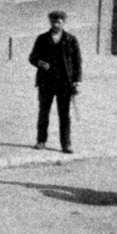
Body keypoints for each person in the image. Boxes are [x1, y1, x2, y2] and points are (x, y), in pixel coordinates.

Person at [28, 9, 83, 153]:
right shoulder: (42, 39)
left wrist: (76, 82)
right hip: (46, 82)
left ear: (64, 23)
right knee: (43, 112)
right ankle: (41, 141)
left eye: (59, 22)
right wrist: (40, 63)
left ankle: (66, 144)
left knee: (64, 115)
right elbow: (32, 57)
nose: (56, 24)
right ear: (50, 22)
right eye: (53, 21)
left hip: (64, 83)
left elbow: (77, 62)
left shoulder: (71, 40)